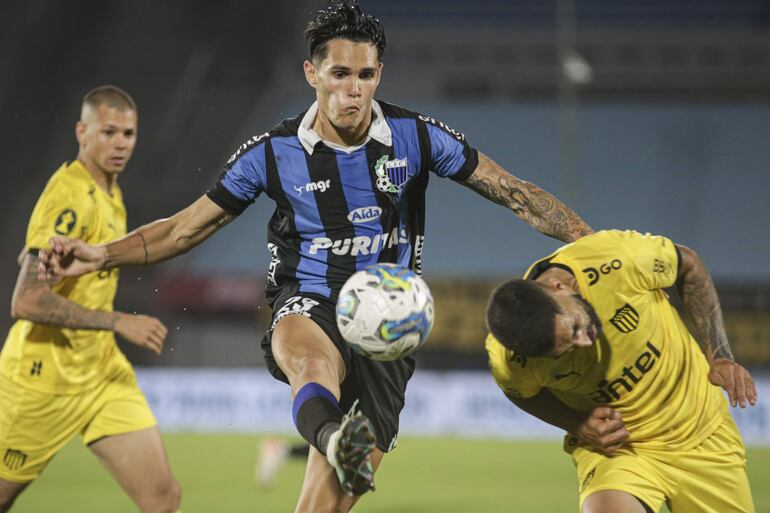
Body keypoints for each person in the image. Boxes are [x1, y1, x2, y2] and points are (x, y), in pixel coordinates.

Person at [38, 3, 592, 511]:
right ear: (312, 74)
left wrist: (596, 247)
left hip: (390, 326)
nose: (354, 90)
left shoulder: (415, 137)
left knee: (319, 509)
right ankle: (331, 436)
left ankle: (333, 441)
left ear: (379, 75)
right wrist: (98, 255)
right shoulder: (271, 155)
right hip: (309, 298)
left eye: (366, 75)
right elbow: (183, 230)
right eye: (340, 74)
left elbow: (513, 192)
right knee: (310, 362)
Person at [0, 86, 181, 513]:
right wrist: (118, 322)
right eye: (108, 132)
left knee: (163, 498)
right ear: (82, 131)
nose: (120, 144)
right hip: (42, 381)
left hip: (101, 374)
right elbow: (25, 301)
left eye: (128, 134)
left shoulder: (109, 193)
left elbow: (43, 255)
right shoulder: (71, 194)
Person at [485, 229, 757, 513]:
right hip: (619, 450)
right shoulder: (510, 360)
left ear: (559, 287)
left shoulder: (615, 260)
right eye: (565, 350)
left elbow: (688, 263)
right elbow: (521, 392)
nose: (585, 341)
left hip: (702, 431)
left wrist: (720, 356)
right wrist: (577, 423)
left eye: (576, 326)